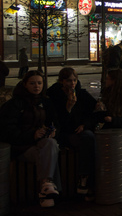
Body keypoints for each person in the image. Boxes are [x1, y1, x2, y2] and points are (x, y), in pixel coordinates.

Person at [0, 70, 60, 207]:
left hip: (42, 144)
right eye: (32, 83)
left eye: (39, 83)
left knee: (51, 144)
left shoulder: (46, 102)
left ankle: (46, 187)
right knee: (47, 154)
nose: (36, 86)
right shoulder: (15, 104)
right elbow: (7, 130)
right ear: (25, 84)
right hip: (21, 147)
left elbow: (55, 122)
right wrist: (31, 135)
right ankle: (47, 191)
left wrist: (54, 131)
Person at [47, 67, 98, 200]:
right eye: (69, 81)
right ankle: (87, 185)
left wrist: (85, 125)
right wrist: (68, 108)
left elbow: (94, 112)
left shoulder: (81, 94)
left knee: (90, 138)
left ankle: (84, 178)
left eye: (74, 80)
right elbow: (57, 122)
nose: (72, 83)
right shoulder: (54, 95)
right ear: (62, 81)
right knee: (86, 143)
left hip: (79, 132)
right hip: (63, 134)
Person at [92, 68, 122, 186]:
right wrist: (100, 111)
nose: (106, 81)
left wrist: (114, 120)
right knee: (100, 142)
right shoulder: (109, 92)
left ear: (115, 81)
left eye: (108, 79)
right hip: (114, 126)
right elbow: (106, 114)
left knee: (114, 144)